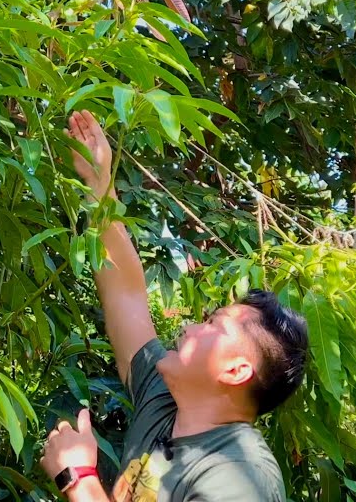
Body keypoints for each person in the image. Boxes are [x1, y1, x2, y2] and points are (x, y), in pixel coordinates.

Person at [40, 111, 309, 501]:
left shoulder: (239, 475)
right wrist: (99, 182)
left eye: (213, 325)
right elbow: (126, 293)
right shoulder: (164, 399)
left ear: (236, 371)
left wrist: (78, 476)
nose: (189, 327)